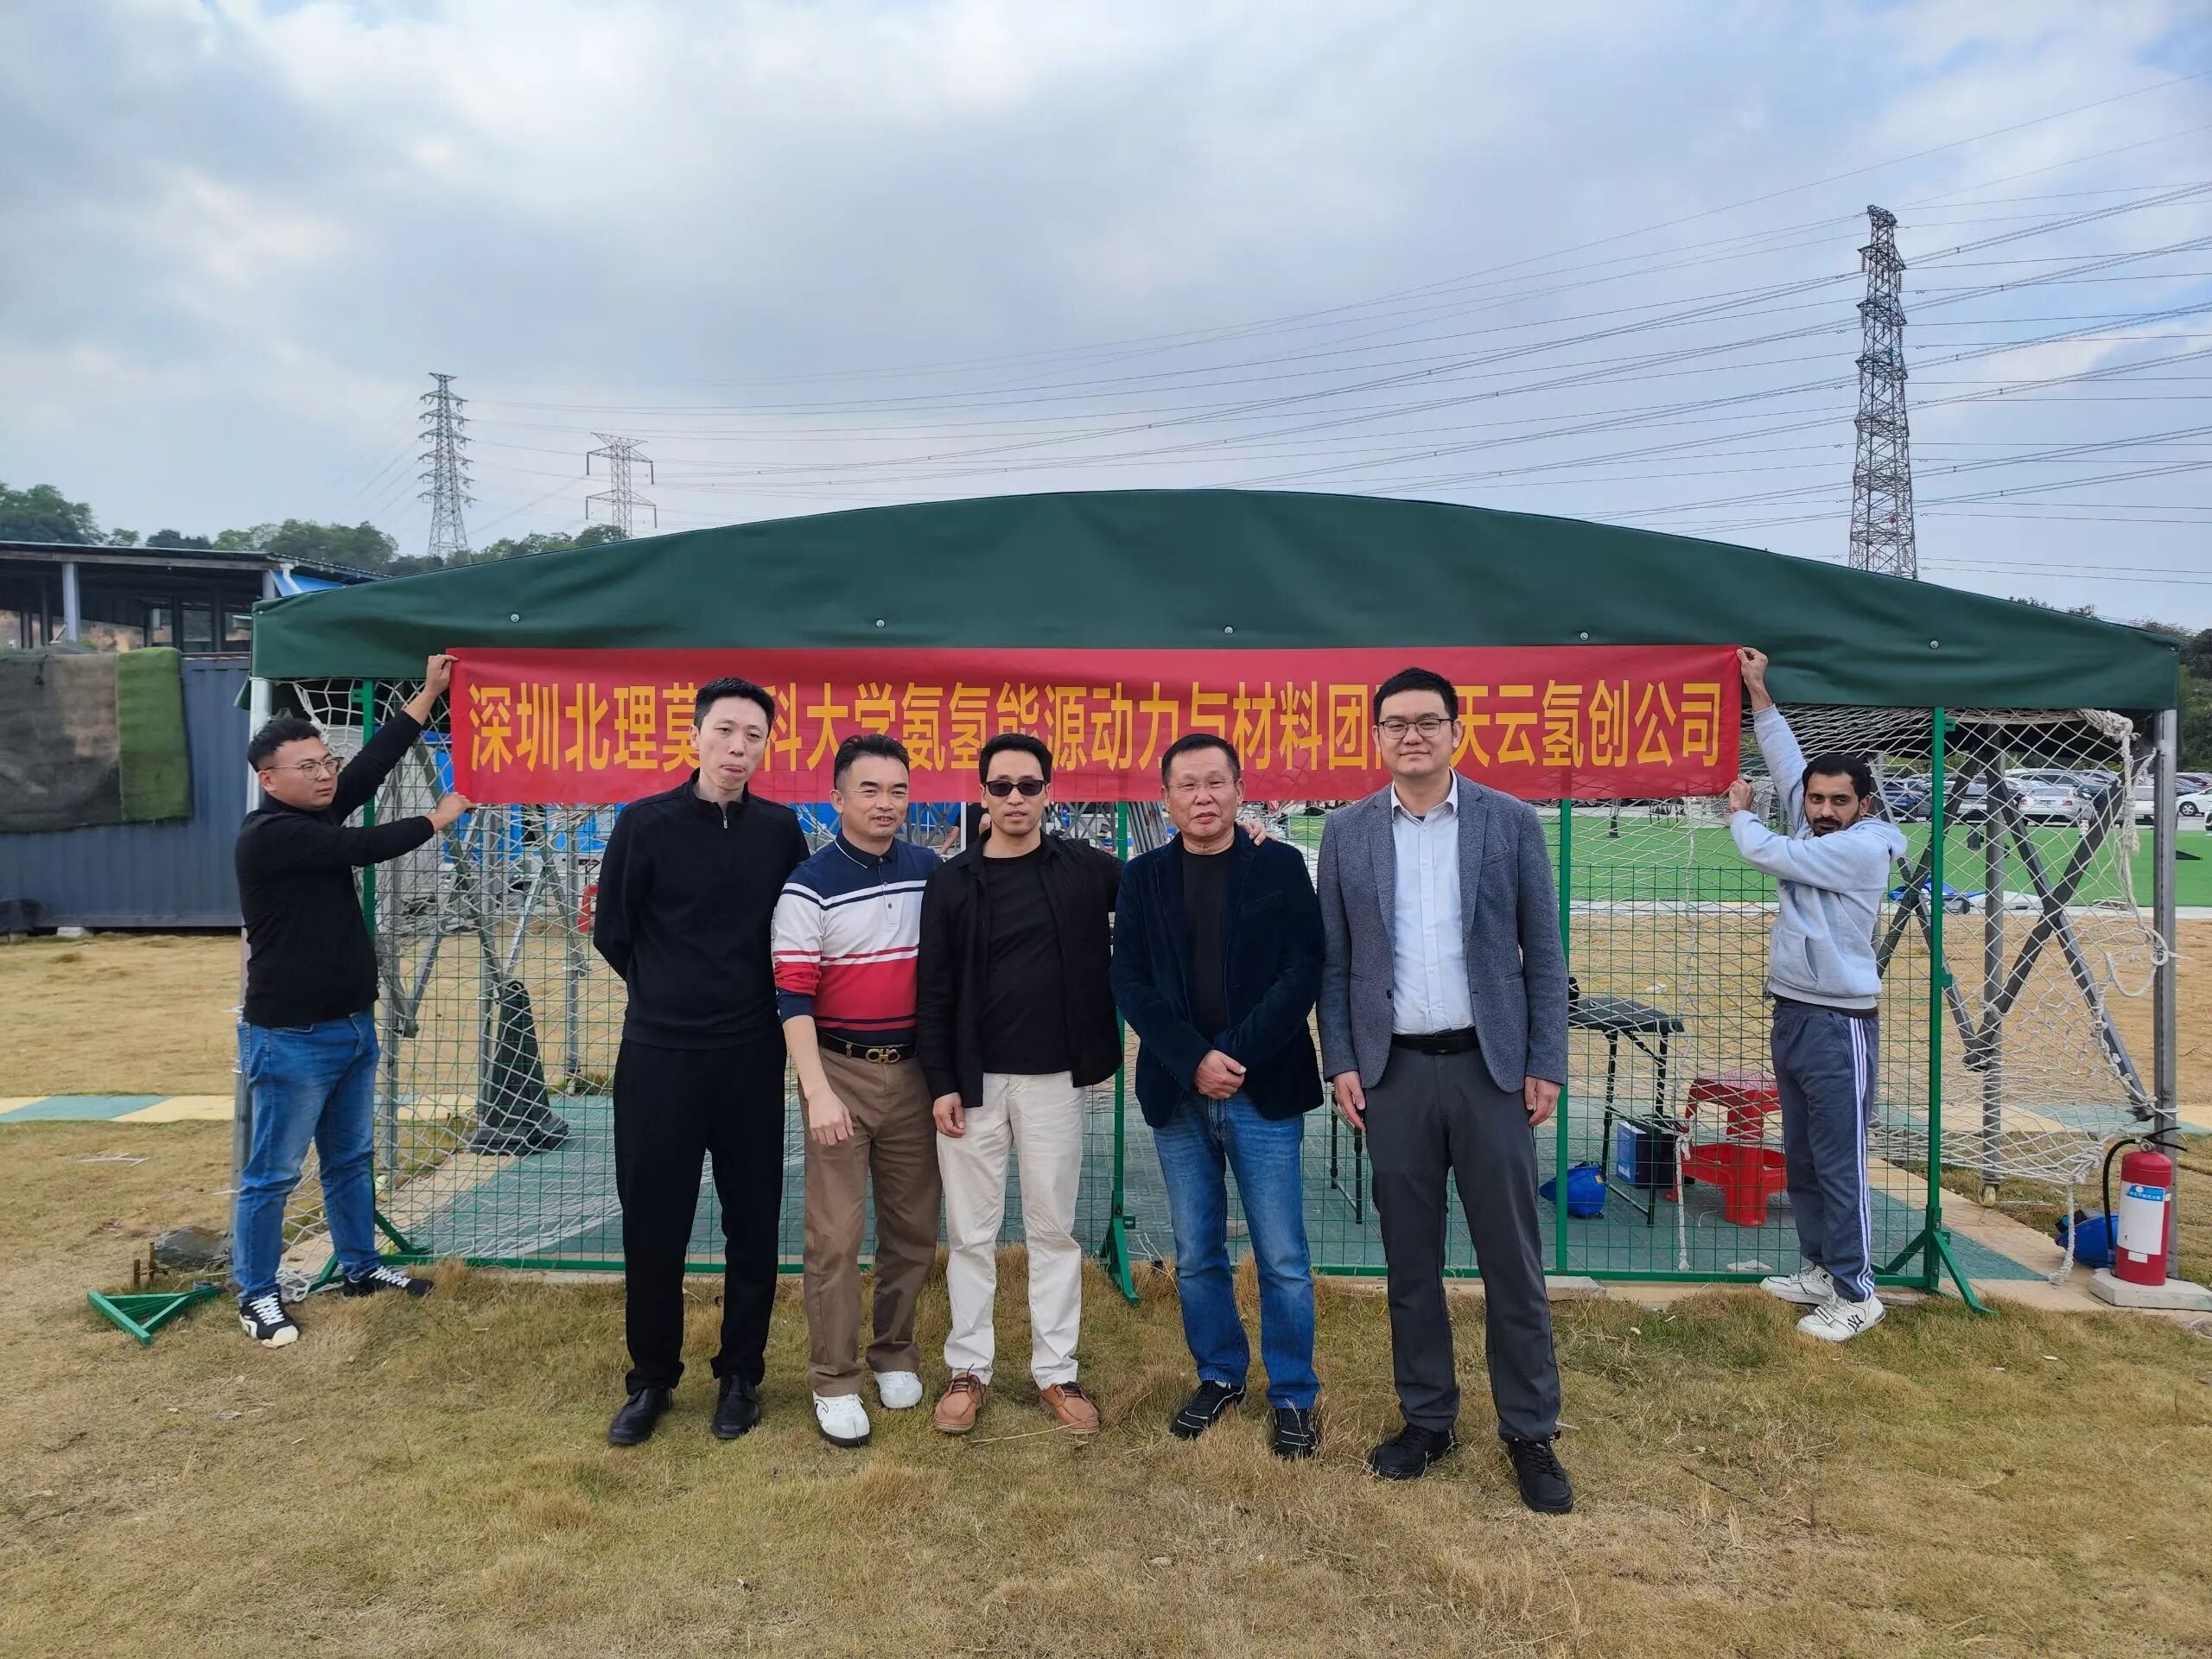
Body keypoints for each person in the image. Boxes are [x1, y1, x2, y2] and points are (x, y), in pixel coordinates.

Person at [1317, 664, 1575, 1514]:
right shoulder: (1347, 831)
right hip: (1391, 1074)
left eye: (1428, 721)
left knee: (1513, 1260)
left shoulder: (1509, 821)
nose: (1413, 736)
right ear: (1377, 737)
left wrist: (1545, 1060)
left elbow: (1545, 951)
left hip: (1489, 1071)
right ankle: (1427, 1419)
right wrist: (1342, 1060)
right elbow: (1336, 962)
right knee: (1410, 1261)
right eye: (1396, 723)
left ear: (1457, 732)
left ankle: (1529, 1431)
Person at [592, 677, 809, 1446]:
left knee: (753, 1223)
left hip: (751, 1056)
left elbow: (792, 933)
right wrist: (668, 995)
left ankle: (741, 1376)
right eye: (725, 730)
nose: (737, 747)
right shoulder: (644, 824)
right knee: (655, 1225)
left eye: (754, 735)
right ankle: (651, 1379)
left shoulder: (780, 831)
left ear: (767, 746)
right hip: (660, 1057)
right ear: (695, 736)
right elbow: (613, 933)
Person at [232, 653, 470, 1347]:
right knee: (273, 1175)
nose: (324, 773)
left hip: (350, 1027)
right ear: (268, 779)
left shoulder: (313, 813)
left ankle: (361, 1268)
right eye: (306, 766)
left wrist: (427, 695)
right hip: (292, 1038)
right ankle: (257, 1294)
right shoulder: (271, 836)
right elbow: (365, 846)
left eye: (324, 760)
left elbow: (368, 770)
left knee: (349, 1160)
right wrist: (437, 818)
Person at [1111, 734, 1324, 1459]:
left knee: (1282, 1256)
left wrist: (1234, 1053)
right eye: (1187, 785)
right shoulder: (1142, 878)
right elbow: (1129, 980)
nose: (1202, 797)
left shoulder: (1279, 865)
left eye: (1215, 782)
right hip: (1177, 1093)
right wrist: (1193, 1059)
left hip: (1265, 1089)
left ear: (1239, 789)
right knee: (1197, 1251)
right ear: (1166, 798)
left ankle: (1292, 1393)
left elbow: (1303, 969)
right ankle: (1221, 1374)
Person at [917, 732, 1122, 1438]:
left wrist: (1244, 836)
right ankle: (968, 1369)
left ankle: (1056, 1371)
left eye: (1028, 785)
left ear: (1047, 793)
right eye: (1001, 786)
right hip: (971, 1083)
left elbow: (1164, 881)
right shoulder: (952, 880)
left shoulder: (1085, 869)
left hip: (1056, 1081)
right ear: (981, 793)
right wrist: (940, 1081)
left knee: (1053, 1230)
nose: (1014, 798)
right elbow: (932, 988)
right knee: (970, 1234)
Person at [1724, 646, 1908, 1342]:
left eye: (1839, 801)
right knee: (1802, 1154)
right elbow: (1787, 765)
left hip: (1838, 1023)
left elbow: (1767, 851)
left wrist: (1741, 813)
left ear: (1864, 805)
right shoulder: (1818, 822)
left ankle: (1858, 1292)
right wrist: (1759, 694)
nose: (1824, 809)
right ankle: (1823, 1269)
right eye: (1817, 798)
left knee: (1839, 1161)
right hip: (1795, 1011)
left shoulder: (1857, 847)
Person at [772, 734, 943, 1448]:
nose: (885, 803)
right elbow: (792, 997)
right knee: (836, 1237)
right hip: (838, 1071)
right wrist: (818, 1091)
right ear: (837, 797)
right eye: (869, 790)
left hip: (915, 1074)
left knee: (913, 1228)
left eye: (898, 790)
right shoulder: (808, 885)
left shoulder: (931, 871)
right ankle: (834, 1379)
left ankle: (894, 1351)